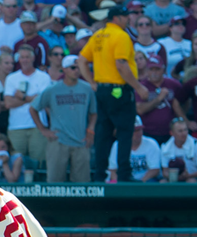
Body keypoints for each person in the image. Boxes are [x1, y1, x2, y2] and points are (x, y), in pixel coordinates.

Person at [78, 3, 150, 183]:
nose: (128, 19)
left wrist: (93, 82)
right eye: (125, 16)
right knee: (125, 131)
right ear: (117, 18)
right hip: (119, 90)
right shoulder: (121, 35)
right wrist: (138, 86)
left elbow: (81, 60)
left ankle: (100, 174)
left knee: (103, 133)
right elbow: (121, 64)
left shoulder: (98, 35)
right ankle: (124, 174)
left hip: (102, 90)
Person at [30, 54, 96, 182]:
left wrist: (90, 130)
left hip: (81, 141)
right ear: (64, 69)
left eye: (78, 68)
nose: (76, 71)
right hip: (58, 141)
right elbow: (33, 108)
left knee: (82, 185)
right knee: (54, 183)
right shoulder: (53, 89)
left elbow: (93, 112)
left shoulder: (87, 89)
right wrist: (44, 130)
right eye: (72, 68)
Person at [3, 45, 51, 163]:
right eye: (22, 57)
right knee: (16, 162)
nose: (25, 60)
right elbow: (8, 103)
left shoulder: (44, 77)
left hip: (38, 127)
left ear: (33, 58)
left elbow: (43, 101)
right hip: (16, 127)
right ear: (18, 59)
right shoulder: (11, 78)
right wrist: (33, 98)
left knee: (38, 162)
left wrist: (22, 97)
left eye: (27, 57)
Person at [136, 55, 186, 144]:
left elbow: (185, 101)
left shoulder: (174, 84)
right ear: (147, 71)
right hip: (148, 133)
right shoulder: (141, 87)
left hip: (171, 133)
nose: (154, 72)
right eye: (151, 69)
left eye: (157, 69)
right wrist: (159, 98)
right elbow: (140, 109)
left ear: (163, 70)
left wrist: (183, 118)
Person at [108, 115, 162, 182]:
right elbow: (112, 170)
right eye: (134, 130)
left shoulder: (151, 144)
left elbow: (155, 170)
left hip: (145, 183)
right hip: (124, 182)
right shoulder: (117, 145)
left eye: (139, 130)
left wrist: (139, 184)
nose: (137, 133)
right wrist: (120, 185)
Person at [160, 118, 197, 182]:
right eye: (180, 131)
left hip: (193, 177)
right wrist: (173, 176)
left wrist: (188, 176)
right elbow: (165, 171)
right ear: (172, 133)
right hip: (173, 178)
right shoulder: (165, 147)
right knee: (163, 182)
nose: (184, 133)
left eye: (185, 130)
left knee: (191, 181)